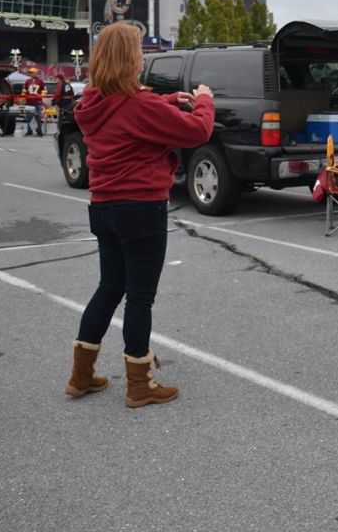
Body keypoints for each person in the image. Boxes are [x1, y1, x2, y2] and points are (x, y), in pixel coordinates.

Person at [64, 22, 215, 409]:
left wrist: (167, 100)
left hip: (104, 205)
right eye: (139, 53)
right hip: (142, 208)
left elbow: (129, 109)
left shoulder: (92, 103)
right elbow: (197, 131)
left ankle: (81, 375)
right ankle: (140, 383)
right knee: (140, 298)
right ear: (130, 59)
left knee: (109, 288)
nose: (143, 58)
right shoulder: (138, 105)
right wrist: (203, 99)